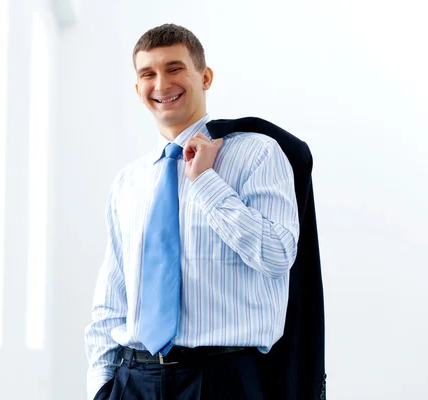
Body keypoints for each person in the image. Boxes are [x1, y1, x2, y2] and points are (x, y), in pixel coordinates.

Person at [84, 23, 300, 400]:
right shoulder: (129, 182)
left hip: (223, 381)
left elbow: (277, 255)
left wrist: (204, 181)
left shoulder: (257, 154)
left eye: (174, 68)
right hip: (132, 380)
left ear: (206, 76)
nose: (161, 83)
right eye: (148, 74)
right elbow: (112, 295)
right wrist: (101, 386)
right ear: (138, 90)